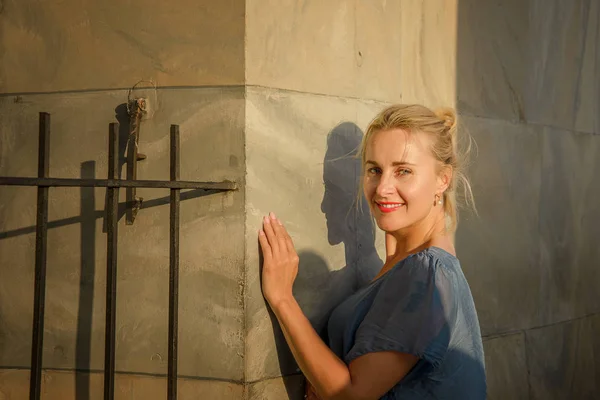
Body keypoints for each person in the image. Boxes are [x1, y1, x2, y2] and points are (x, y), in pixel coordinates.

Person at [258, 104, 486, 399]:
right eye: (374, 170)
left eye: (403, 171)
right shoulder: (400, 260)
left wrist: (282, 298)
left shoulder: (427, 274)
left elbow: (349, 394)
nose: (382, 188)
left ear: (443, 179)